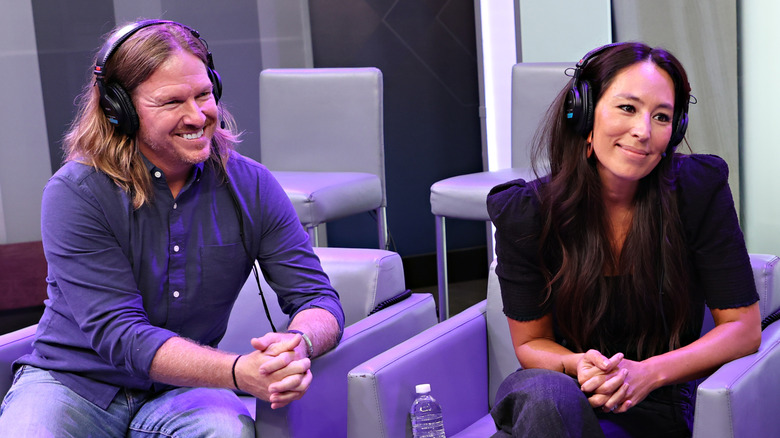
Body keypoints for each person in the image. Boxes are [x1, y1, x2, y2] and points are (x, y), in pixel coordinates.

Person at [0, 19, 344, 437]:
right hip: (73, 385)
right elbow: (120, 333)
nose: (197, 115)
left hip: (185, 390)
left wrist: (298, 344)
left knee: (226, 431)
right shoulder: (76, 192)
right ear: (119, 110)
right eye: (172, 102)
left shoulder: (251, 185)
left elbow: (317, 298)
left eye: (203, 94)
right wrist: (238, 371)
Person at [486, 42, 760, 437]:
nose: (643, 131)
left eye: (662, 117)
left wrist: (647, 373)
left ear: (675, 129)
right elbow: (531, 343)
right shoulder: (527, 211)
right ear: (582, 114)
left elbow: (743, 328)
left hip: (658, 397)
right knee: (548, 398)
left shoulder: (698, 191)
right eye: (627, 108)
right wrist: (578, 364)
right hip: (559, 388)